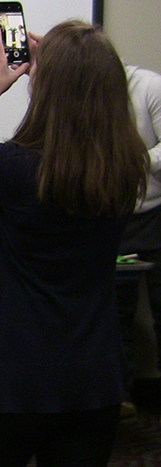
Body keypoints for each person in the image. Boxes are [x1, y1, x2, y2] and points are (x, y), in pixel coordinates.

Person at [0, 21, 148, 467]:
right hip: (92, 383)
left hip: (9, 384)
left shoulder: (16, 167)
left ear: (45, 88)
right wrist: (71, 61)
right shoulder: (125, 169)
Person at [115, 64, 161, 419]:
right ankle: (121, 396)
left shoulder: (148, 87)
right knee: (117, 313)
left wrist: (135, 161)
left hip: (157, 211)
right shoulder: (85, 95)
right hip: (114, 215)